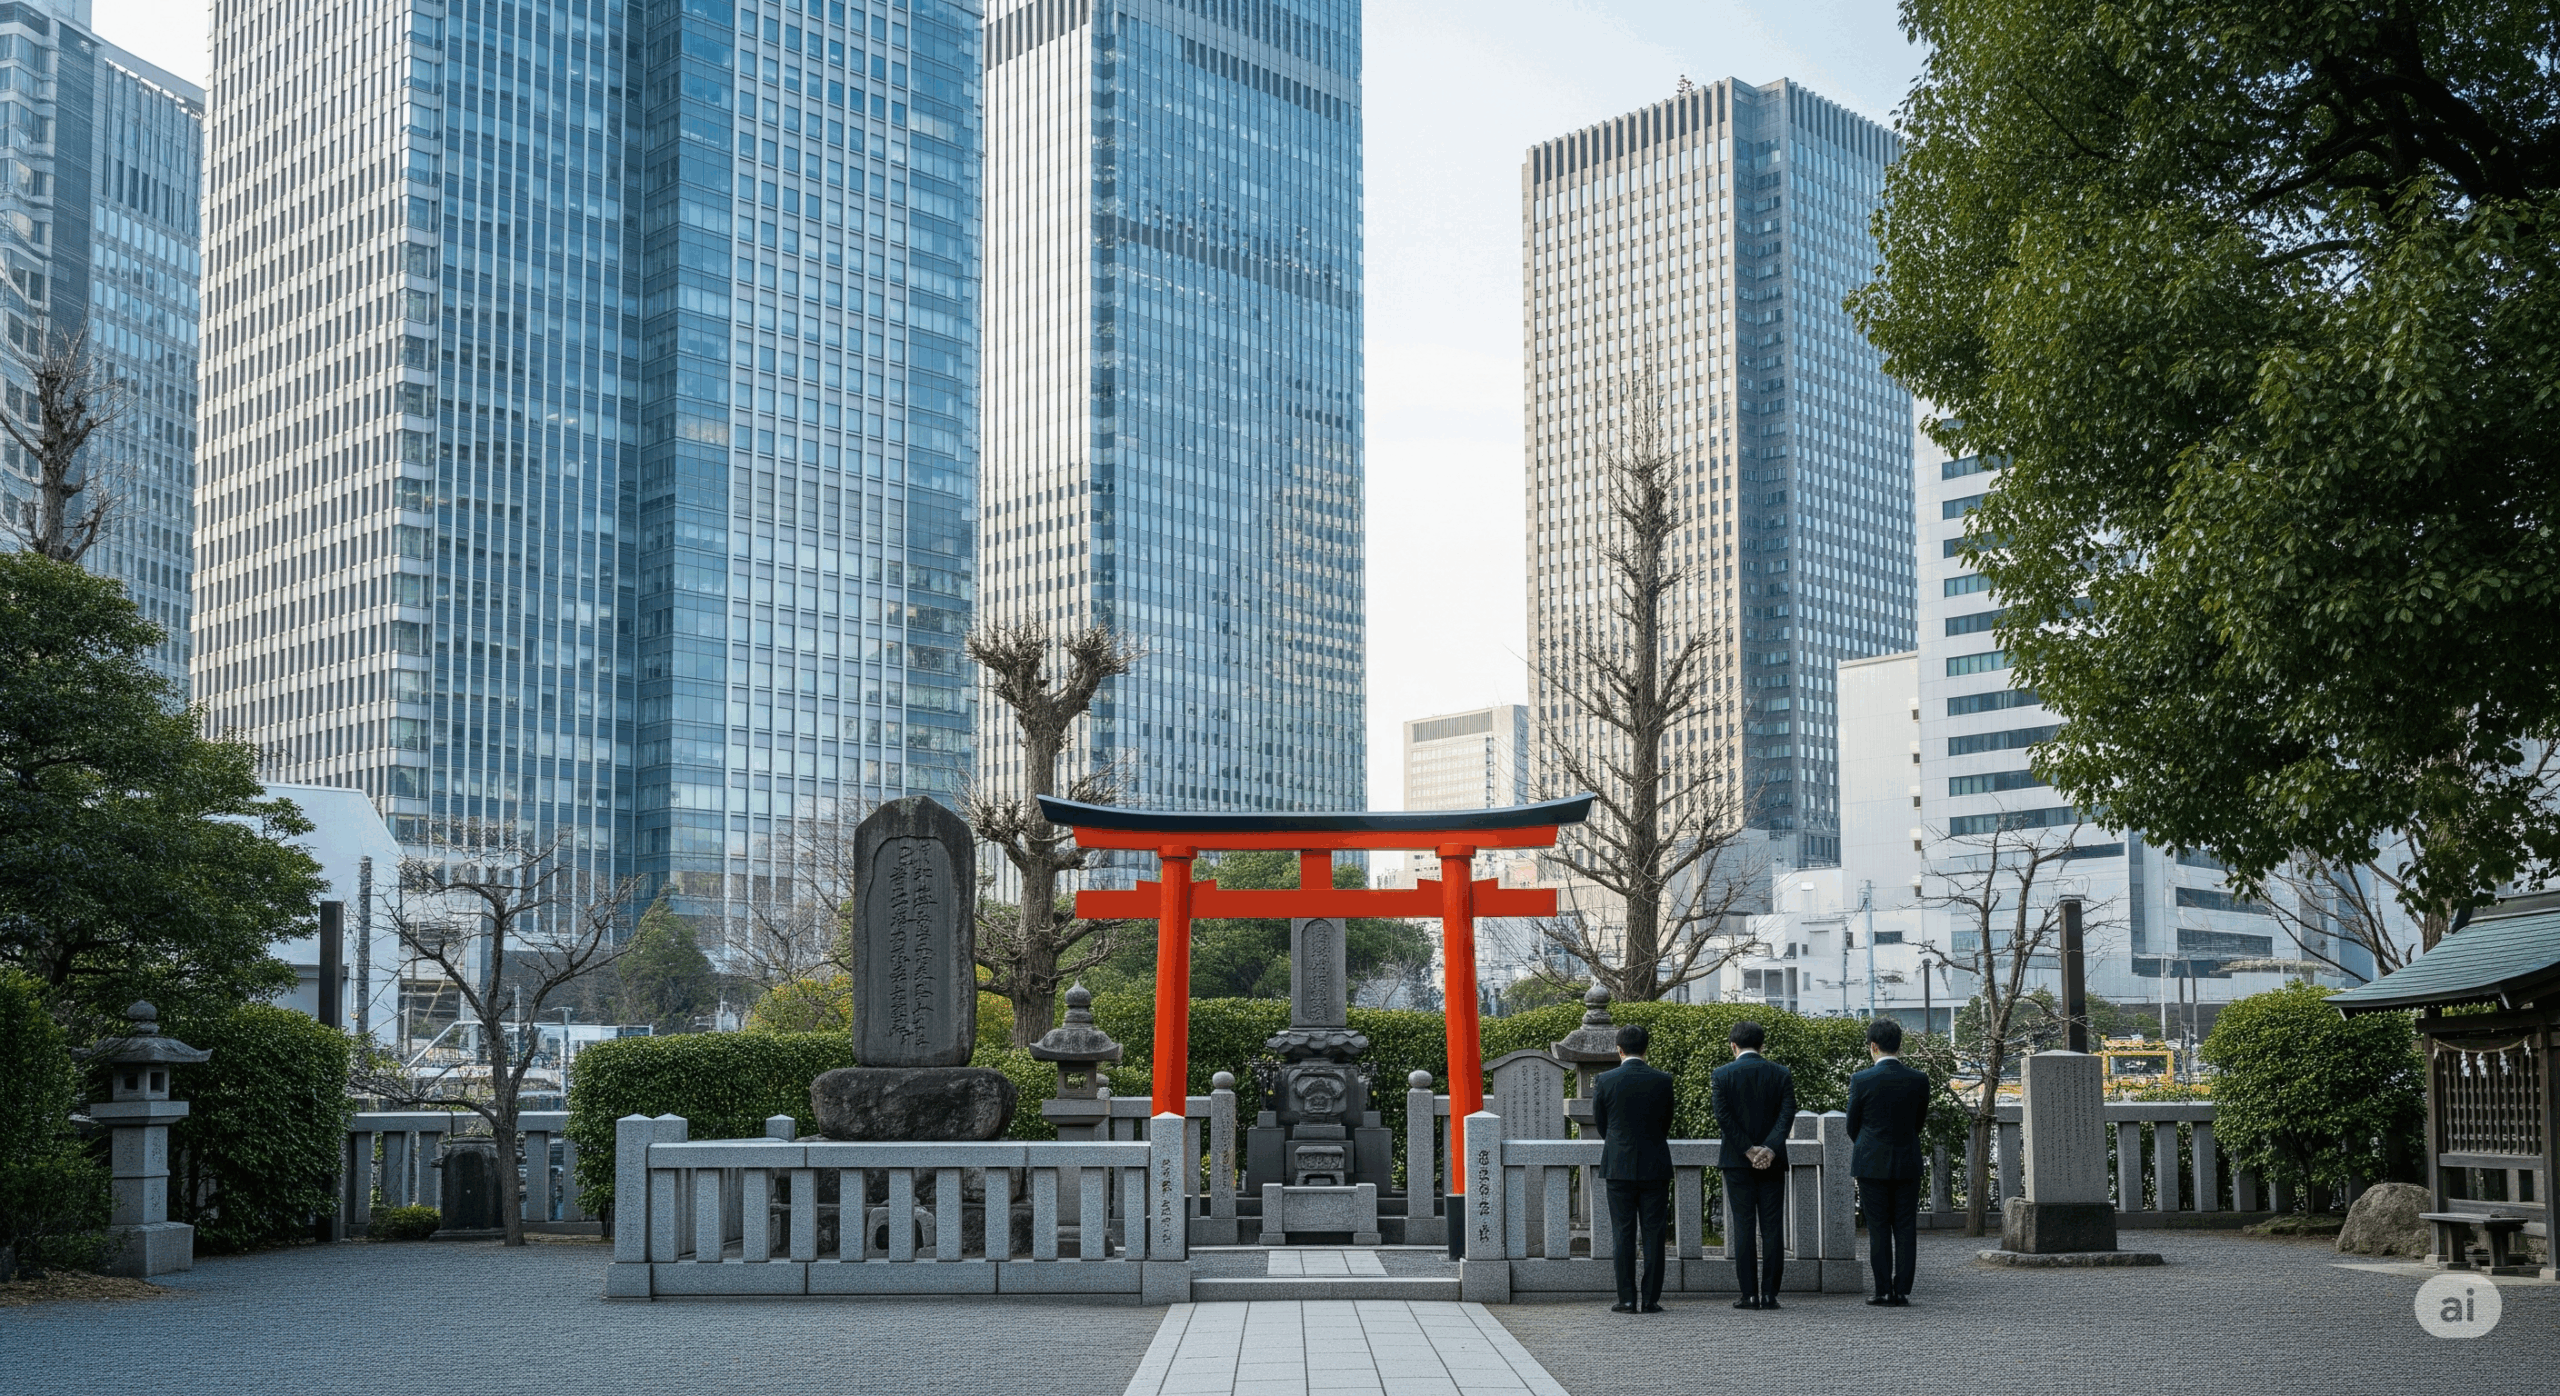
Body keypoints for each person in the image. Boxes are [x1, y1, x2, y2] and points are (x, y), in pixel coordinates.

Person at [1844, 1016, 1931, 1306]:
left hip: (1870, 1161)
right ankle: (1903, 1290)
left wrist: (1868, 1143)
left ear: (1873, 1046)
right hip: (1907, 1159)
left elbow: (1851, 1125)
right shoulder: (1919, 1079)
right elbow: (1918, 1122)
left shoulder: (1861, 1079)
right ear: (1899, 1045)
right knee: (1905, 1226)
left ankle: (1882, 1290)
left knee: (1878, 1226)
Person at [1711, 1020, 1796, 1309]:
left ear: (1733, 1045)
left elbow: (1723, 1117)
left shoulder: (1722, 1075)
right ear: (1762, 1045)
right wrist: (1769, 1149)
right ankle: (1770, 1294)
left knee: (1743, 1226)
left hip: (1736, 1162)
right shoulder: (1781, 1073)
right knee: (1772, 1227)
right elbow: (1787, 1115)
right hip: (1773, 1162)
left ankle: (1748, 1294)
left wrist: (1748, 1150)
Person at [1592, 1022, 1676, 1313]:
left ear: (1619, 1049)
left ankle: (1626, 1299)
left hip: (1618, 1165)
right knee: (1654, 1234)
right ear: (1646, 1048)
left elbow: (1602, 1123)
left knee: (1623, 1234)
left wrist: (1618, 1143)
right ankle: (1651, 1299)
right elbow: (1666, 1122)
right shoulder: (1663, 1080)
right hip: (1655, 1163)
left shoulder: (1605, 1080)